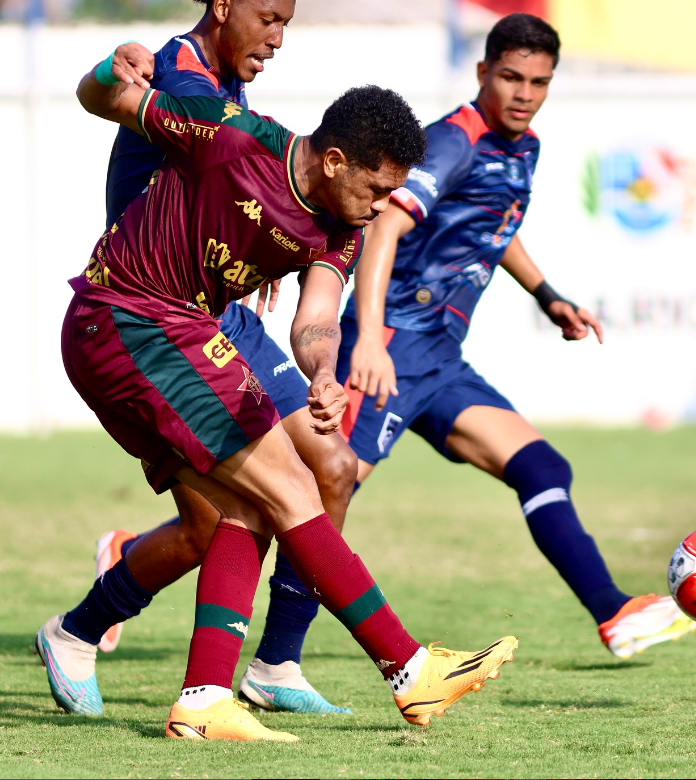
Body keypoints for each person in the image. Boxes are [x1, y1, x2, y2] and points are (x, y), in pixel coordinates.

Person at [35, 42, 518, 741]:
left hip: (173, 332)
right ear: (332, 161)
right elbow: (102, 99)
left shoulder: (341, 228)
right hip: (127, 317)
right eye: (377, 189)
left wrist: (323, 370)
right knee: (294, 480)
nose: (384, 207)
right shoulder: (228, 135)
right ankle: (409, 670)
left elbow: (317, 318)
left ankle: (202, 699)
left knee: (241, 510)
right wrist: (110, 69)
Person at [335, 12, 696, 660]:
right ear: (483, 73)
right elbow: (383, 229)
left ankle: (614, 613)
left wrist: (547, 293)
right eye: (510, 77)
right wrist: (366, 339)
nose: (524, 94)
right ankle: (167, 590)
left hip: (439, 359)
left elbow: (489, 230)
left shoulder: (523, 147)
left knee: (540, 466)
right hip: (389, 347)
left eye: (539, 81)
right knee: (312, 502)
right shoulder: (452, 142)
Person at [59, 0, 355, 716]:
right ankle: (83, 629)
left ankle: (277, 661)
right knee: (213, 524)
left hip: (218, 314)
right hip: (157, 319)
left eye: (288, 23)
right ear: (223, 7)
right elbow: (107, 94)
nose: (279, 38)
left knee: (334, 466)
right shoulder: (183, 76)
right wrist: (114, 61)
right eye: (269, 19)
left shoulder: (224, 81)